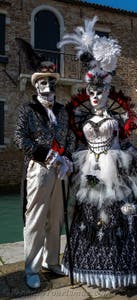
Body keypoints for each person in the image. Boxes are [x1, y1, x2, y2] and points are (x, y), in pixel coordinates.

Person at [57, 17, 137, 289]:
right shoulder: (83, 122)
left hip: (115, 169)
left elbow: (124, 145)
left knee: (119, 216)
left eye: (100, 92)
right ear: (87, 93)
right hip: (90, 168)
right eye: (91, 92)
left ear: (107, 91)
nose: (96, 96)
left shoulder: (117, 121)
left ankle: (120, 270)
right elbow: (79, 146)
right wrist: (66, 162)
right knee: (88, 220)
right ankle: (90, 267)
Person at [14, 61, 74, 289]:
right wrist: (47, 155)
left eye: (50, 82)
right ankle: (32, 268)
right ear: (36, 86)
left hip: (62, 170)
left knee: (57, 216)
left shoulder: (62, 111)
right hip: (39, 168)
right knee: (36, 219)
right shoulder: (27, 111)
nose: (47, 86)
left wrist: (66, 158)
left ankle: (51, 261)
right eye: (42, 83)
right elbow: (21, 139)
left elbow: (69, 138)